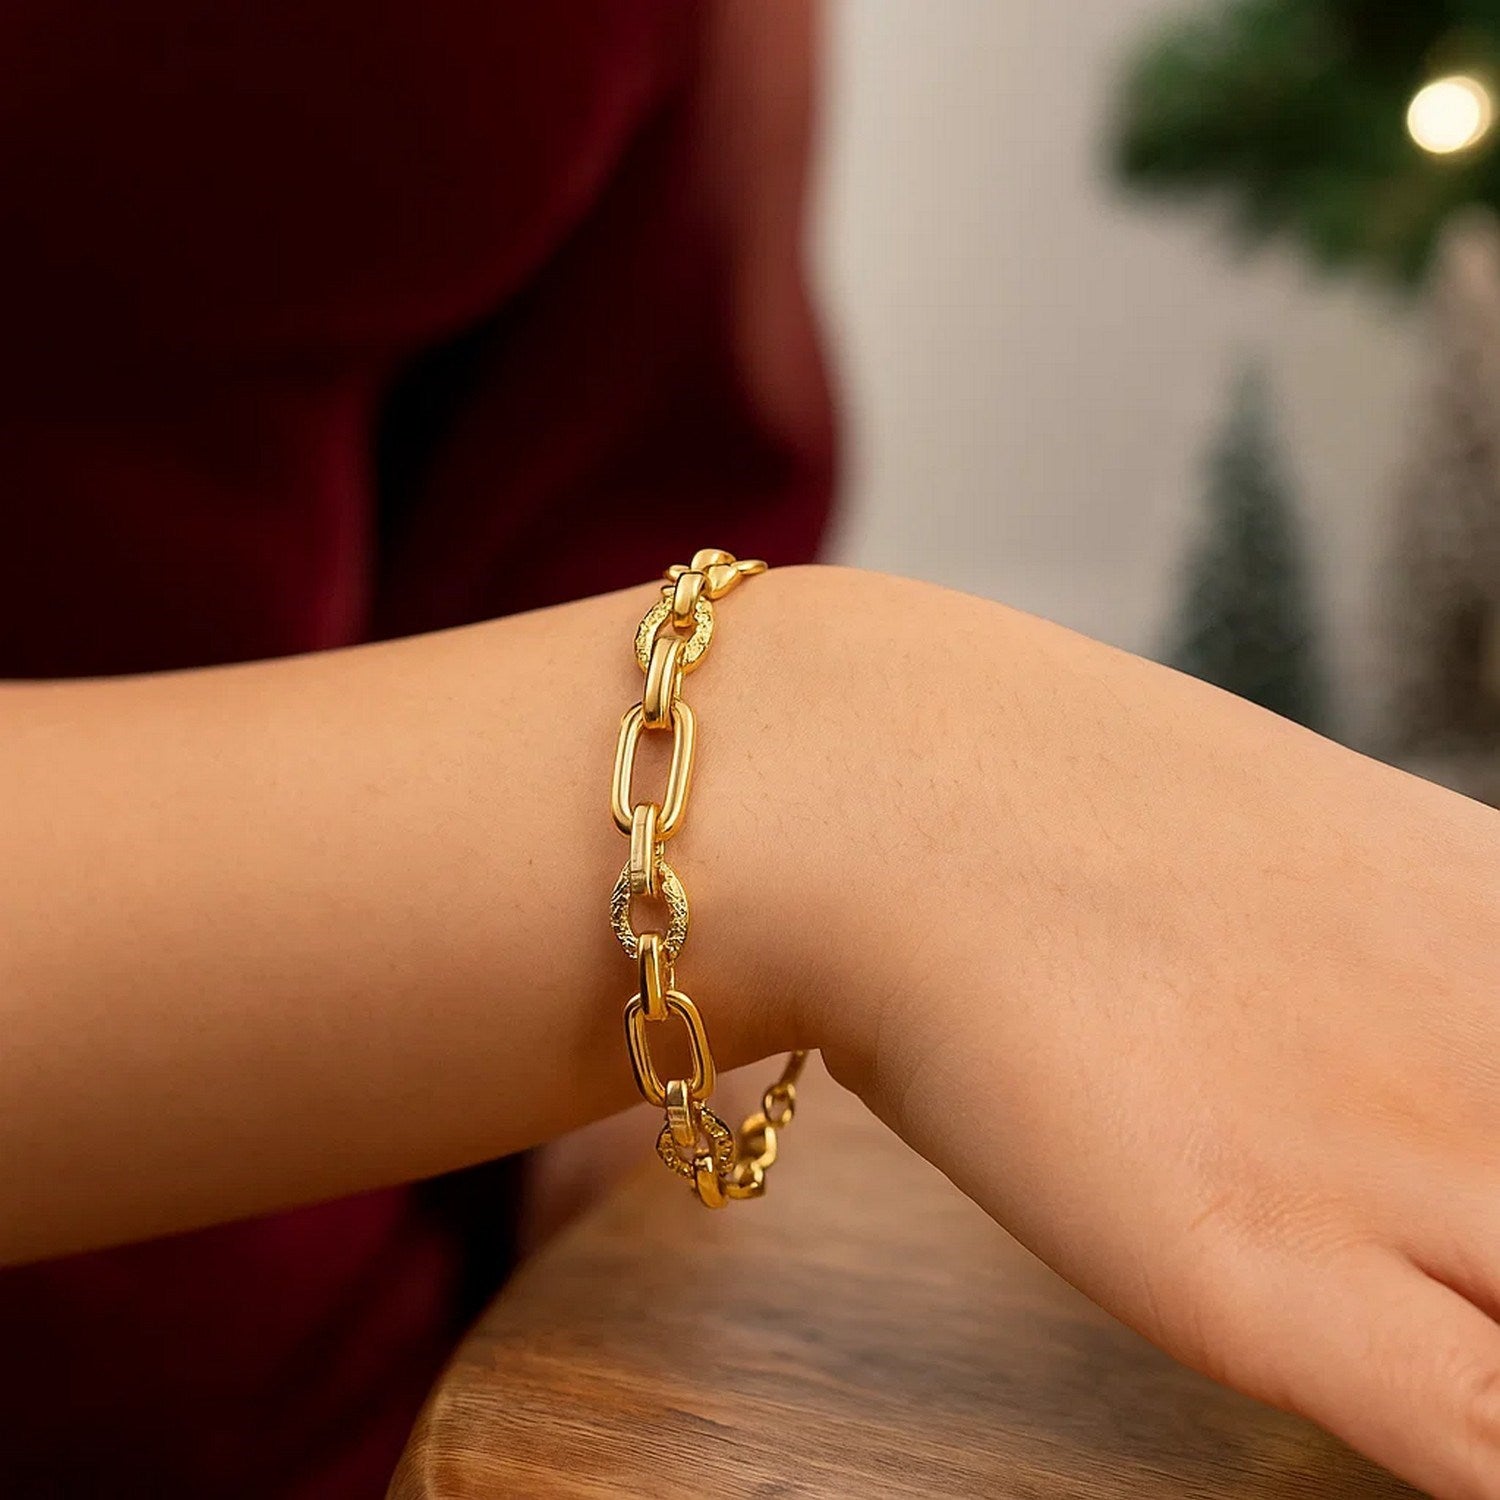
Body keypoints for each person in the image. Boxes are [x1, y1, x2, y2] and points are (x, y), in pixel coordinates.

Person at [0, 5, 1496, 1499]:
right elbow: (716, 733)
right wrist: (840, 775)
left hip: (376, 1396)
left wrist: (652, 1281)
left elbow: (620, 469)